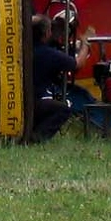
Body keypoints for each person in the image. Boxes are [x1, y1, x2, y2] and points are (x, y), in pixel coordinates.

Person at [30, 14, 94, 142]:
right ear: (47, 33)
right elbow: (78, 63)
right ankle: (37, 138)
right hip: (35, 101)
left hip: (21, 100)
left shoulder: (25, 48)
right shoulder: (48, 54)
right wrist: (86, 43)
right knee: (63, 109)